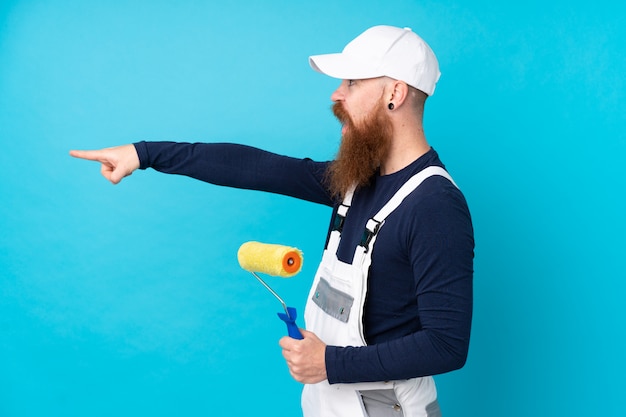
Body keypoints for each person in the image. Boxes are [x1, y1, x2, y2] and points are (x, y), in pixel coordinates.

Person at [70, 25, 474, 417]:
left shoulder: (434, 205)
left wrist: (330, 364)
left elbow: (446, 345)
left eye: (351, 83)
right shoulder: (355, 181)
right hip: (325, 403)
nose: (337, 95)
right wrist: (144, 154)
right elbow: (257, 167)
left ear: (395, 93)